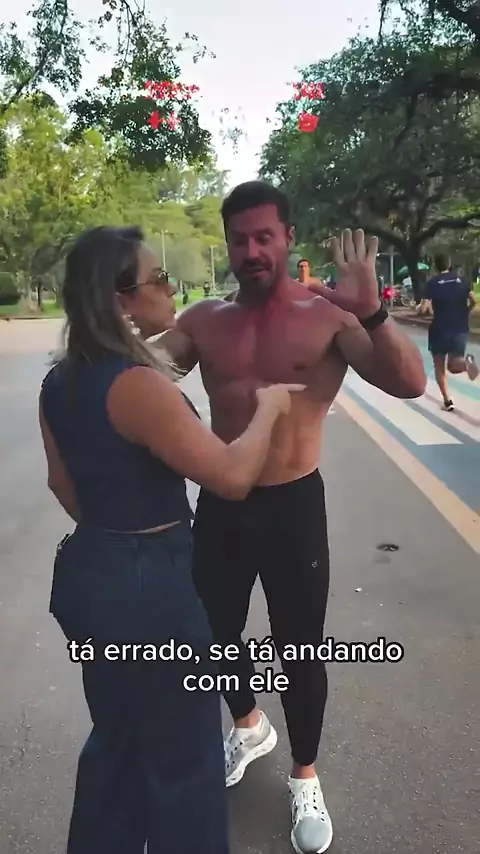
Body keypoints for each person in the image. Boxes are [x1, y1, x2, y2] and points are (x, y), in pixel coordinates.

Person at [135, 182, 426, 854]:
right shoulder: (205, 320)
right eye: (239, 239)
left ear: (288, 238)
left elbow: (410, 383)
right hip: (223, 502)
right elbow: (140, 378)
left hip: (293, 505)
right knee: (211, 634)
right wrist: (120, 317)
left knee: (299, 647)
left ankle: (305, 774)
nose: (251, 251)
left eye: (264, 236)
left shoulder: (328, 317)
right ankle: (247, 724)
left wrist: (373, 312)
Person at [39, 225, 303, 854]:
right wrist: (268, 410)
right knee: (184, 759)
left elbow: (61, 485)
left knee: (118, 740)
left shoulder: (62, 381)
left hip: (91, 573)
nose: (169, 288)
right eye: (157, 278)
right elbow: (231, 477)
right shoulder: (134, 385)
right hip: (150, 590)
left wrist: (113, 525)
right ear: (121, 300)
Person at [420, 252, 478, 411]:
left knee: (440, 366)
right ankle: (465, 363)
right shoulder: (462, 281)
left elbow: (424, 308)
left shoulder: (432, 283)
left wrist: (420, 308)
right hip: (460, 328)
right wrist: (466, 312)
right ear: (449, 263)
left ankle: (447, 400)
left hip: (439, 329)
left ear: (435, 265)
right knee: (454, 363)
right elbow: (473, 300)